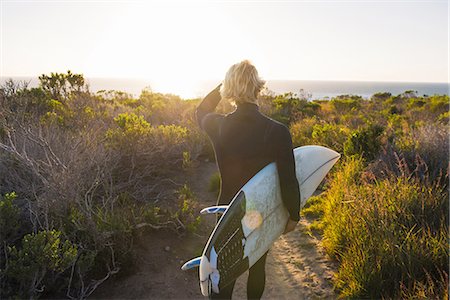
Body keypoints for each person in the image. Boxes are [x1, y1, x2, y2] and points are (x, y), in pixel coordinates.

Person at [196, 60, 300, 300]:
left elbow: (201, 111)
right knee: (258, 265)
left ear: (230, 90)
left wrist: (226, 84)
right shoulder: (277, 131)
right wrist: (293, 214)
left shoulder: (218, 125)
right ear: (258, 88)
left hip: (226, 211)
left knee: (224, 272)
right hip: (260, 211)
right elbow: (288, 178)